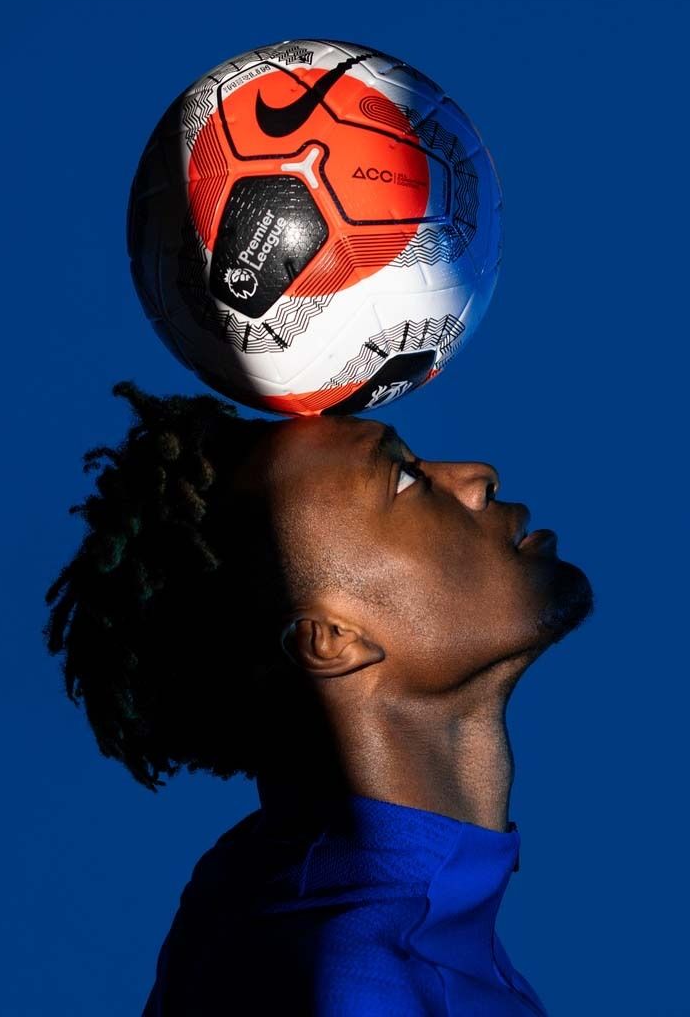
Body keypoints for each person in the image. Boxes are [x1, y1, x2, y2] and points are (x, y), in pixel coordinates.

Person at [44, 381, 593, 1016]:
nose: (476, 476)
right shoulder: (363, 986)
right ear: (332, 641)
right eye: (405, 482)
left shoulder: (268, 887)